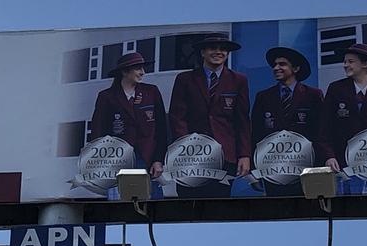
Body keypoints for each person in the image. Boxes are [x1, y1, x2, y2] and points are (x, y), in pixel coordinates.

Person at [169, 33, 251, 198]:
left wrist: (244, 155)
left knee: (218, 206)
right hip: (190, 155)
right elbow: (177, 117)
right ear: (202, 53)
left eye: (223, 49)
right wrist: (187, 147)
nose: (218, 52)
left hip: (224, 156)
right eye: (213, 48)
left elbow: (242, 121)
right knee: (188, 204)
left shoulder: (239, 80)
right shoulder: (185, 79)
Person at [316, 43, 367, 194]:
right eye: (345, 61)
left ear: (365, 64)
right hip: (344, 166)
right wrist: (329, 156)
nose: (345, 65)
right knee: (347, 212)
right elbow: (324, 128)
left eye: (350, 61)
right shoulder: (336, 89)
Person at [90, 52, 167, 199]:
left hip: (147, 158)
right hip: (118, 159)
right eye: (138, 68)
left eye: (143, 68)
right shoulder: (107, 96)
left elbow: (162, 130)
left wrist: (158, 160)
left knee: (151, 206)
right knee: (121, 206)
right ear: (125, 72)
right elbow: (98, 132)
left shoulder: (151, 92)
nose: (143, 72)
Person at [252, 47, 324, 196]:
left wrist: (318, 169)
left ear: (296, 68)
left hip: (304, 168)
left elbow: (320, 133)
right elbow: (255, 134)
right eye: (275, 65)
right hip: (272, 169)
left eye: (282, 64)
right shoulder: (263, 97)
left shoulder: (313, 95)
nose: (276, 68)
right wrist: (254, 170)